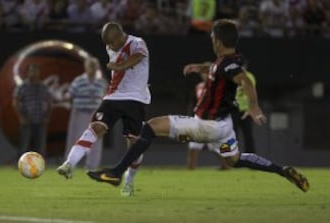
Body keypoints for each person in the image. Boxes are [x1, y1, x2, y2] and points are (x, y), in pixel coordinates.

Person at [87, 19, 310, 193]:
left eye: (213, 37)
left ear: (218, 42)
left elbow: (245, 81)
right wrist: (200, 67)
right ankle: (282, 171)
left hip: (205, 126)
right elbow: (218, 69)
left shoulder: (229, 65)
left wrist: (253, 106)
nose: (211, 40)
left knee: (150, 128)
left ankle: (116, 173)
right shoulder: (227, 61)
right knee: (234, 159)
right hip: (224, 130)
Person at [57, 22, 151, 197]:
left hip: (136, 100)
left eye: (111, 43)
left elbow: (137, 56)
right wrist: (120, 65)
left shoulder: (138, 42)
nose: (109, 47)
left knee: (134, 145)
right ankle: (70, 164)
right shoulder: (112, 48)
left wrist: (120, 66)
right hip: (113, 97)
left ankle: (129, 181)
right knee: (95, 128)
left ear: (119, 37)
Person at [65, 57, 107, 170]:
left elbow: (105, 98)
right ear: (86, 67)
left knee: (95, 140)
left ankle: (92, 166)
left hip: (95, 114)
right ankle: (70, 164)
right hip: (80, 113)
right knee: (75, 138)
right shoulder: (78, 81)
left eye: (94, 66)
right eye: (90, 66)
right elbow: (69, 96)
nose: (92, 69)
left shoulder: (101, 82)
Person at [13, 64, 52, 157]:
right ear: (28, 73)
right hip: (27, 120)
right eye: (32, 71)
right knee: (24, 146)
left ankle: (40, 167)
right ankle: (21, 166)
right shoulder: (22, 87)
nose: (34, 73)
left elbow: (50, 103)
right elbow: (15, 102)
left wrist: (47, 117)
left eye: (36, 71)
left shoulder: (43, 87)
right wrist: (21, 117)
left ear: (38, 73)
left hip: (40, 119)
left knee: (41, 147)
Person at [232, 61, 256, 153]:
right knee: (233, 135)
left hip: (246, 110)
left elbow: (251, 93)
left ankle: (251, 157)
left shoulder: (249, 76)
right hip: (234, 110)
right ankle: (233, 157)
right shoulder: (232, 76)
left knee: (248, 135)